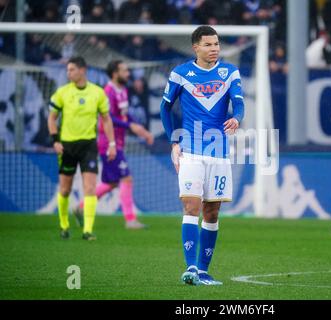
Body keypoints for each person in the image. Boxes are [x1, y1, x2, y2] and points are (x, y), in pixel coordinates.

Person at [160, 25, 244, 285]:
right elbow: (165, 108)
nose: (214, 48)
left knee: (212, 212)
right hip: (191, 150)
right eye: (208, 44)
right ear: (195, 47)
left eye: (217, 44)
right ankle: (191, 268)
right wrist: (173, 139)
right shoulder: (181, 73)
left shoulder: (229, 72)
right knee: (191, 206)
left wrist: (237, 119)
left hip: (218, 152)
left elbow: (238, 102)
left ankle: (205, 270)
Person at [75, 60, 154, 230]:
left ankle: (80, 207)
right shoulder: (108, 92)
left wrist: (138, 128)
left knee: (111, 183)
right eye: (124, 71)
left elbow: (125, 116)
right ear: (114, 73)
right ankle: (130, 220)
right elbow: (108, 118)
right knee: (126, 178)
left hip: (117, 142)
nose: (128, 74)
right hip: (108, 143)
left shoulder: (123, 90)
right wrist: (130, 126)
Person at [48, 56, 116, 241]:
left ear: (82, 70)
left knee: (90, 188)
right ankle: (64, 225)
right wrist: (55, 140)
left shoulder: (97, 93)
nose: (68, 73)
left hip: (88, 145)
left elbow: (106, 119)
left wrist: (111, 144)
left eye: (71, 69)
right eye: (68, 70)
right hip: (67, 147)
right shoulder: (62, 93)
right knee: (65, 190)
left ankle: (87, 230)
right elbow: (52, 118)